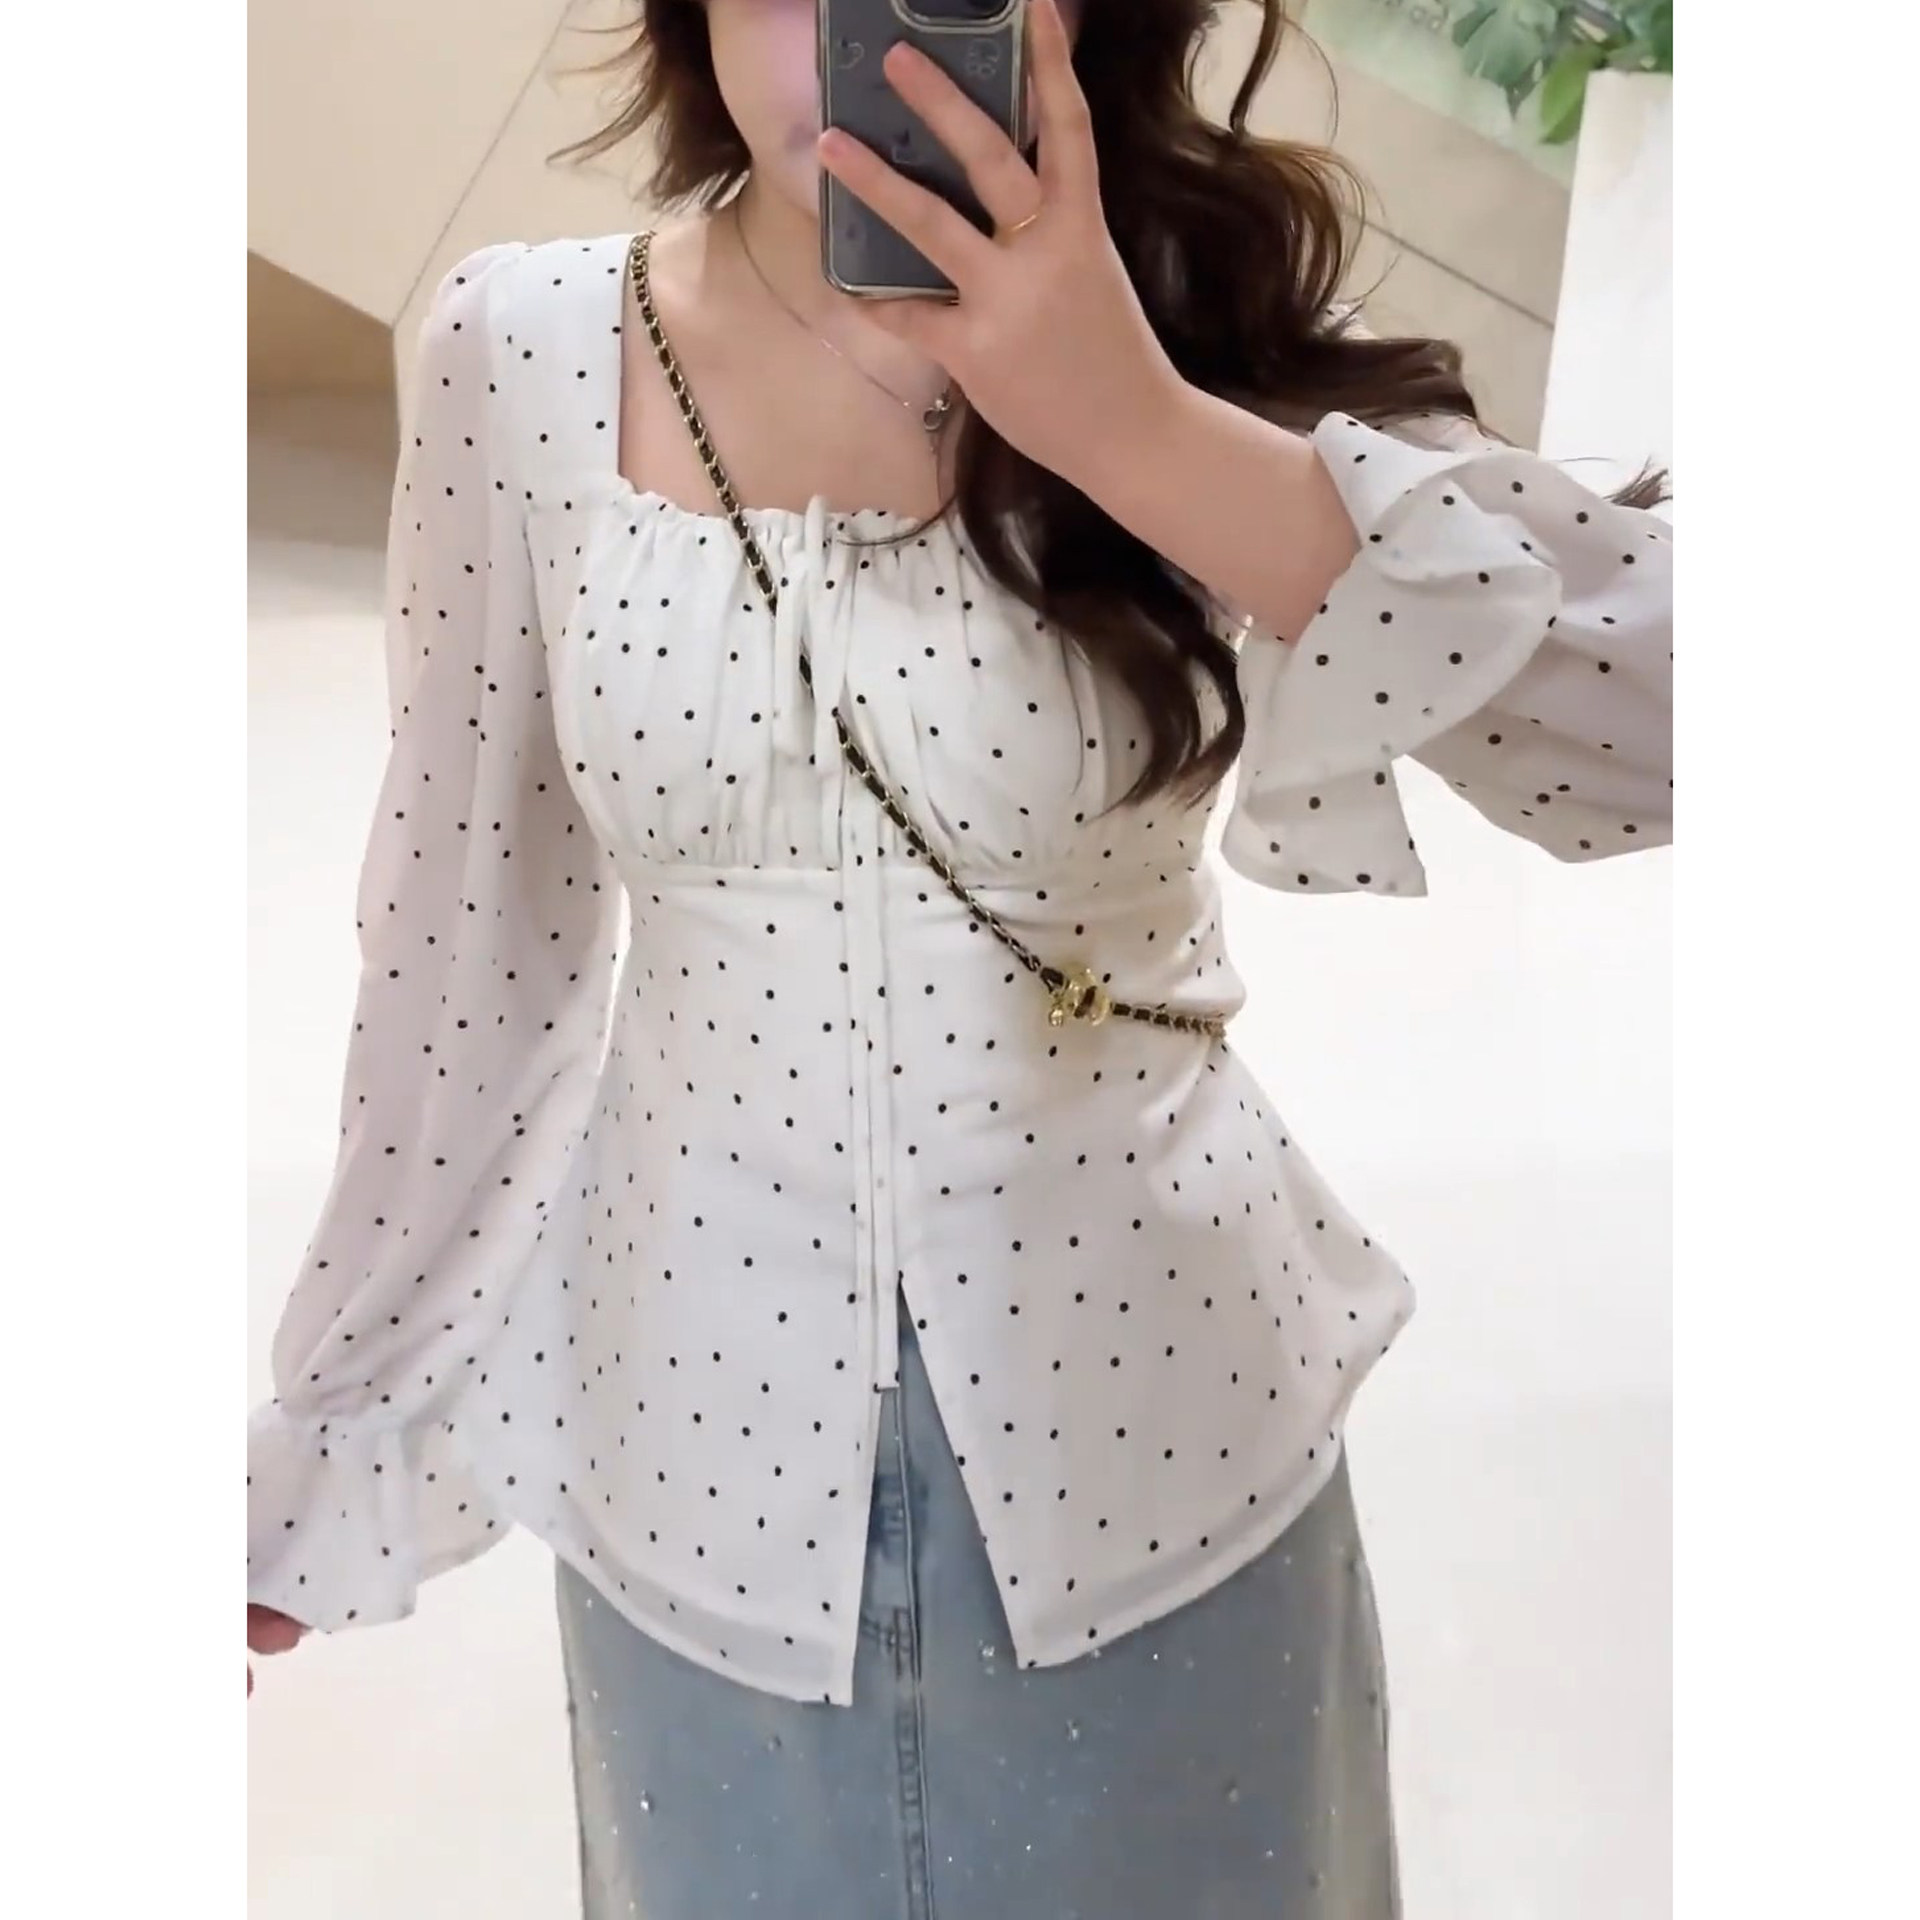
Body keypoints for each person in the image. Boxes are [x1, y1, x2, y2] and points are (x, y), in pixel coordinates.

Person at [247, 1, 1672, 1913]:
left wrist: (1139, 429)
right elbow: (460, 958)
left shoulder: (1194, 328)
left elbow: (1665, 725)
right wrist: (334, 1422)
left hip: (1163, 1463)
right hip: (693, 1492)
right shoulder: (526, 351)